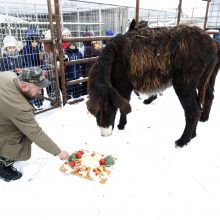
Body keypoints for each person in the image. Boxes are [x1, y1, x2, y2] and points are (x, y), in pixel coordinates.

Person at [0, 67, 69, 182]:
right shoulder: (19, 107)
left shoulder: (8, 75)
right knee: (21, 134)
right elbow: (35, 133)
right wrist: (59, 152)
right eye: (38, 88)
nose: (40, 92)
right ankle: (2, 163)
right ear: (24, 86)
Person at [81, 31, 101, 96]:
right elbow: (99, 53)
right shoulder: (89, 48)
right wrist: (97, 47)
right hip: (90, 69)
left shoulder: (86, 48)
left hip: (88, 69)